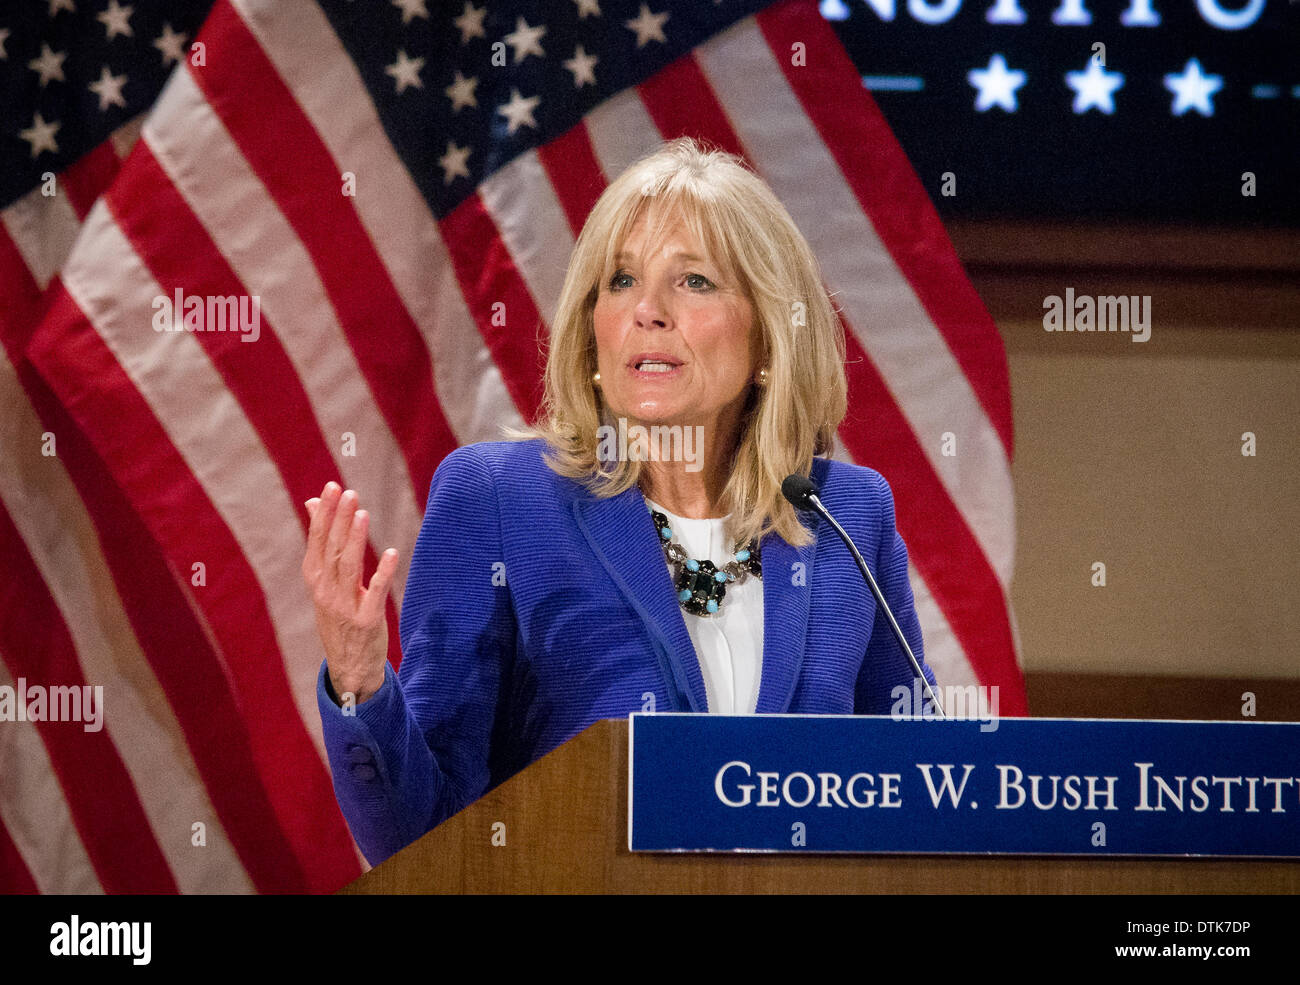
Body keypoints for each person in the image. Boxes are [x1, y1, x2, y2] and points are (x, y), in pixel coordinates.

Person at [302, 137, 937, 866]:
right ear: (592, 333)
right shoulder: (502, 501)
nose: (648, 311)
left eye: (694, 281)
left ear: (769, 340)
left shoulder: (846, 515)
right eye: (622, 280)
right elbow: (423, 839)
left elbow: (914, 792)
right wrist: (359, 682)